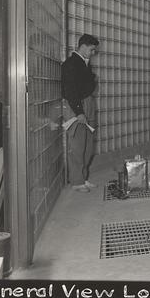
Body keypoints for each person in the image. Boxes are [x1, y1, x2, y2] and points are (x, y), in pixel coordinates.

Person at [61, 34, 99, 192]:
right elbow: (69, 90)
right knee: (77, 145)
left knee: (88, 145)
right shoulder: (70, 64)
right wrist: (79, 112)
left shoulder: (85, 63)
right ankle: (77, 181)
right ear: (83, 46)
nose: (93, 53)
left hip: (88, 102)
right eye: (91, 50)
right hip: (77, 106)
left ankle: (83, 177)